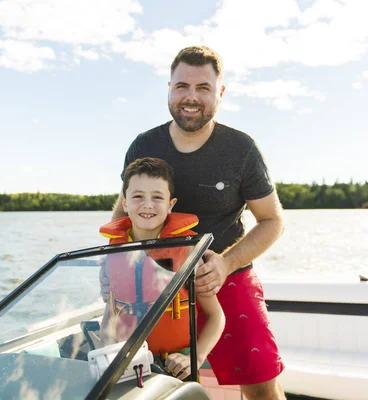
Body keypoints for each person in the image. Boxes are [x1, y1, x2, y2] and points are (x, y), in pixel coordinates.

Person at [107, 46, 286, 399]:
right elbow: (122, 213)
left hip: (226, 279)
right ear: (169, 89)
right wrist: (115, 280)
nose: (191, 97)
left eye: (203, 87)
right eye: (182, 86)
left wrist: (225, 263)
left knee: (263, 389)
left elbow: (272, 221)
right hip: (156, 289)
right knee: (157, 388)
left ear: (220, 92)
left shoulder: (241, 149)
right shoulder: (144, 145)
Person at [99, 157, 225, 381]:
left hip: (176, 367)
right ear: (124, 203)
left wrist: (195, 359)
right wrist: (106, 356)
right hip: (127, 366)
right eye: (138, 196)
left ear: (170, 205)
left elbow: (217, 316)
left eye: (157, 197)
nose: (147, 204)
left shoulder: (187, 253)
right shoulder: (112, 255)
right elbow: (111, 311)